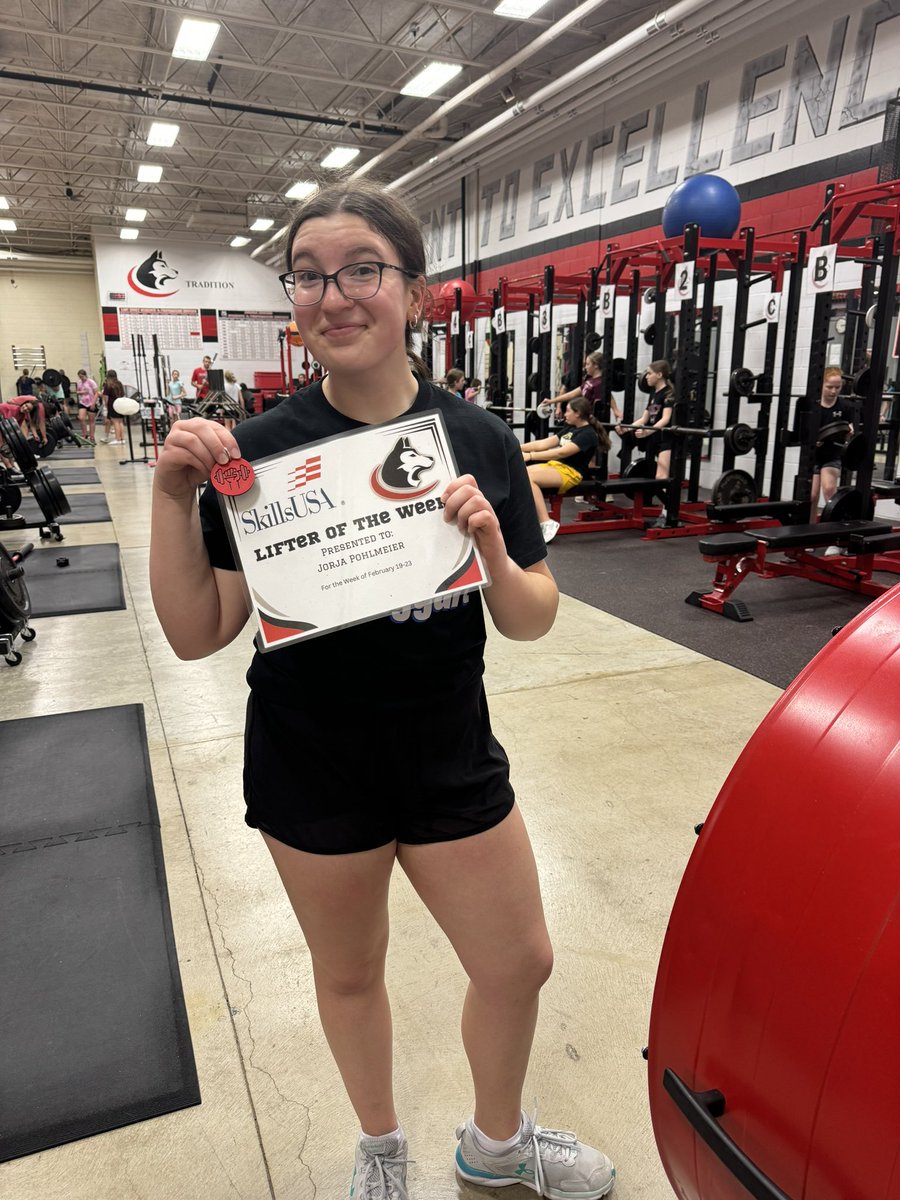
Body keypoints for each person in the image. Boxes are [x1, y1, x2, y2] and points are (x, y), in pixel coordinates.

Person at [149, 179, 615, 1200]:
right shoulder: (258, 456)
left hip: (448, 754)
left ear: (415, 292)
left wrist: (490, 541)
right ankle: (379, 1148)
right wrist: (169, 492)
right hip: (313, 765)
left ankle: (497, 1144)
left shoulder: (481, 442)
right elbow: (196, 635)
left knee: (518, 962)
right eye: (310, 276)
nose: (336, 294)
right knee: (350, 972)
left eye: (363, 269)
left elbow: (530, 616)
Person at [520, 395, 609, 543]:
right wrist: (517, 446)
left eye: (567, 411)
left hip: (571, 473)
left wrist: (530, 456)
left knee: (530, 478)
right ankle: (526, 520)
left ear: (578, 413)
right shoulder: (570, 429)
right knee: (520, 473)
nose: (564, 414)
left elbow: (562, 452)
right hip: (557, 467)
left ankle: (546, 522)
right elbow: (545, 443)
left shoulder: (588, 434)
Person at [616, 359, 675, 481]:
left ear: (659, 375)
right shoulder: (654, 393)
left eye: (649, 373)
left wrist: (647, 431)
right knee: (650, 476)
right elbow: (644, 418)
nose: (646, 377)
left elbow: (665, 419)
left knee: (661, 477)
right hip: (653, 437)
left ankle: (667, 499)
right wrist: (626, 428)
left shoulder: (668, 393)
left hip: (665, 439)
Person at [810, 365, 854, 516]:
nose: (834, 391)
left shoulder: (845, 406)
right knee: (811, 496)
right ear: (821, 385)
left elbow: (849, 429)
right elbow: (802, 432)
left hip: (832, 455)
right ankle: (808, 529)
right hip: (812, 455)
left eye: (838, 387)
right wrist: (812, 441)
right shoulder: (812, 406)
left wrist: (850, 431)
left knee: (829, 490)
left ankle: (832, 527)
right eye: (829, 387)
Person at [554, 352, 621, 423]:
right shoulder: (588, 379)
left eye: (587, 364)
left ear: (596, 365)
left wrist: (615, 410)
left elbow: (607, 395)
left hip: (586, 419)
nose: (585, 366)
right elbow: (571, 394)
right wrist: (553, 402)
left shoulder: (599, 382)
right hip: (578, 415)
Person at [100, 369, 126, 444]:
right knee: (120, 421)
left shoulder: (108, 384)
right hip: (120, 403)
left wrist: (106, 404)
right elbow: (123, 394)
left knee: (115, 422)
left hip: (112, 404)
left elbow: (105, 396)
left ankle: (117, 439)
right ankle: (122, 438)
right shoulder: (119, 383)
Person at [75, 369, 100, 443]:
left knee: (91, 420)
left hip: (91, 402)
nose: (81, 378)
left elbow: (96, 393)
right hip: (83, 402)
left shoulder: (91, 382)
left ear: (85, 375)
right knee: (81, 418)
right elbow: (77, 391)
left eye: (82, 377)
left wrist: (93, 403)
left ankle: (92, 435)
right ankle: (84, 434)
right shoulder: (79, 382)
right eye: (80, 377)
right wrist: (81, 392)